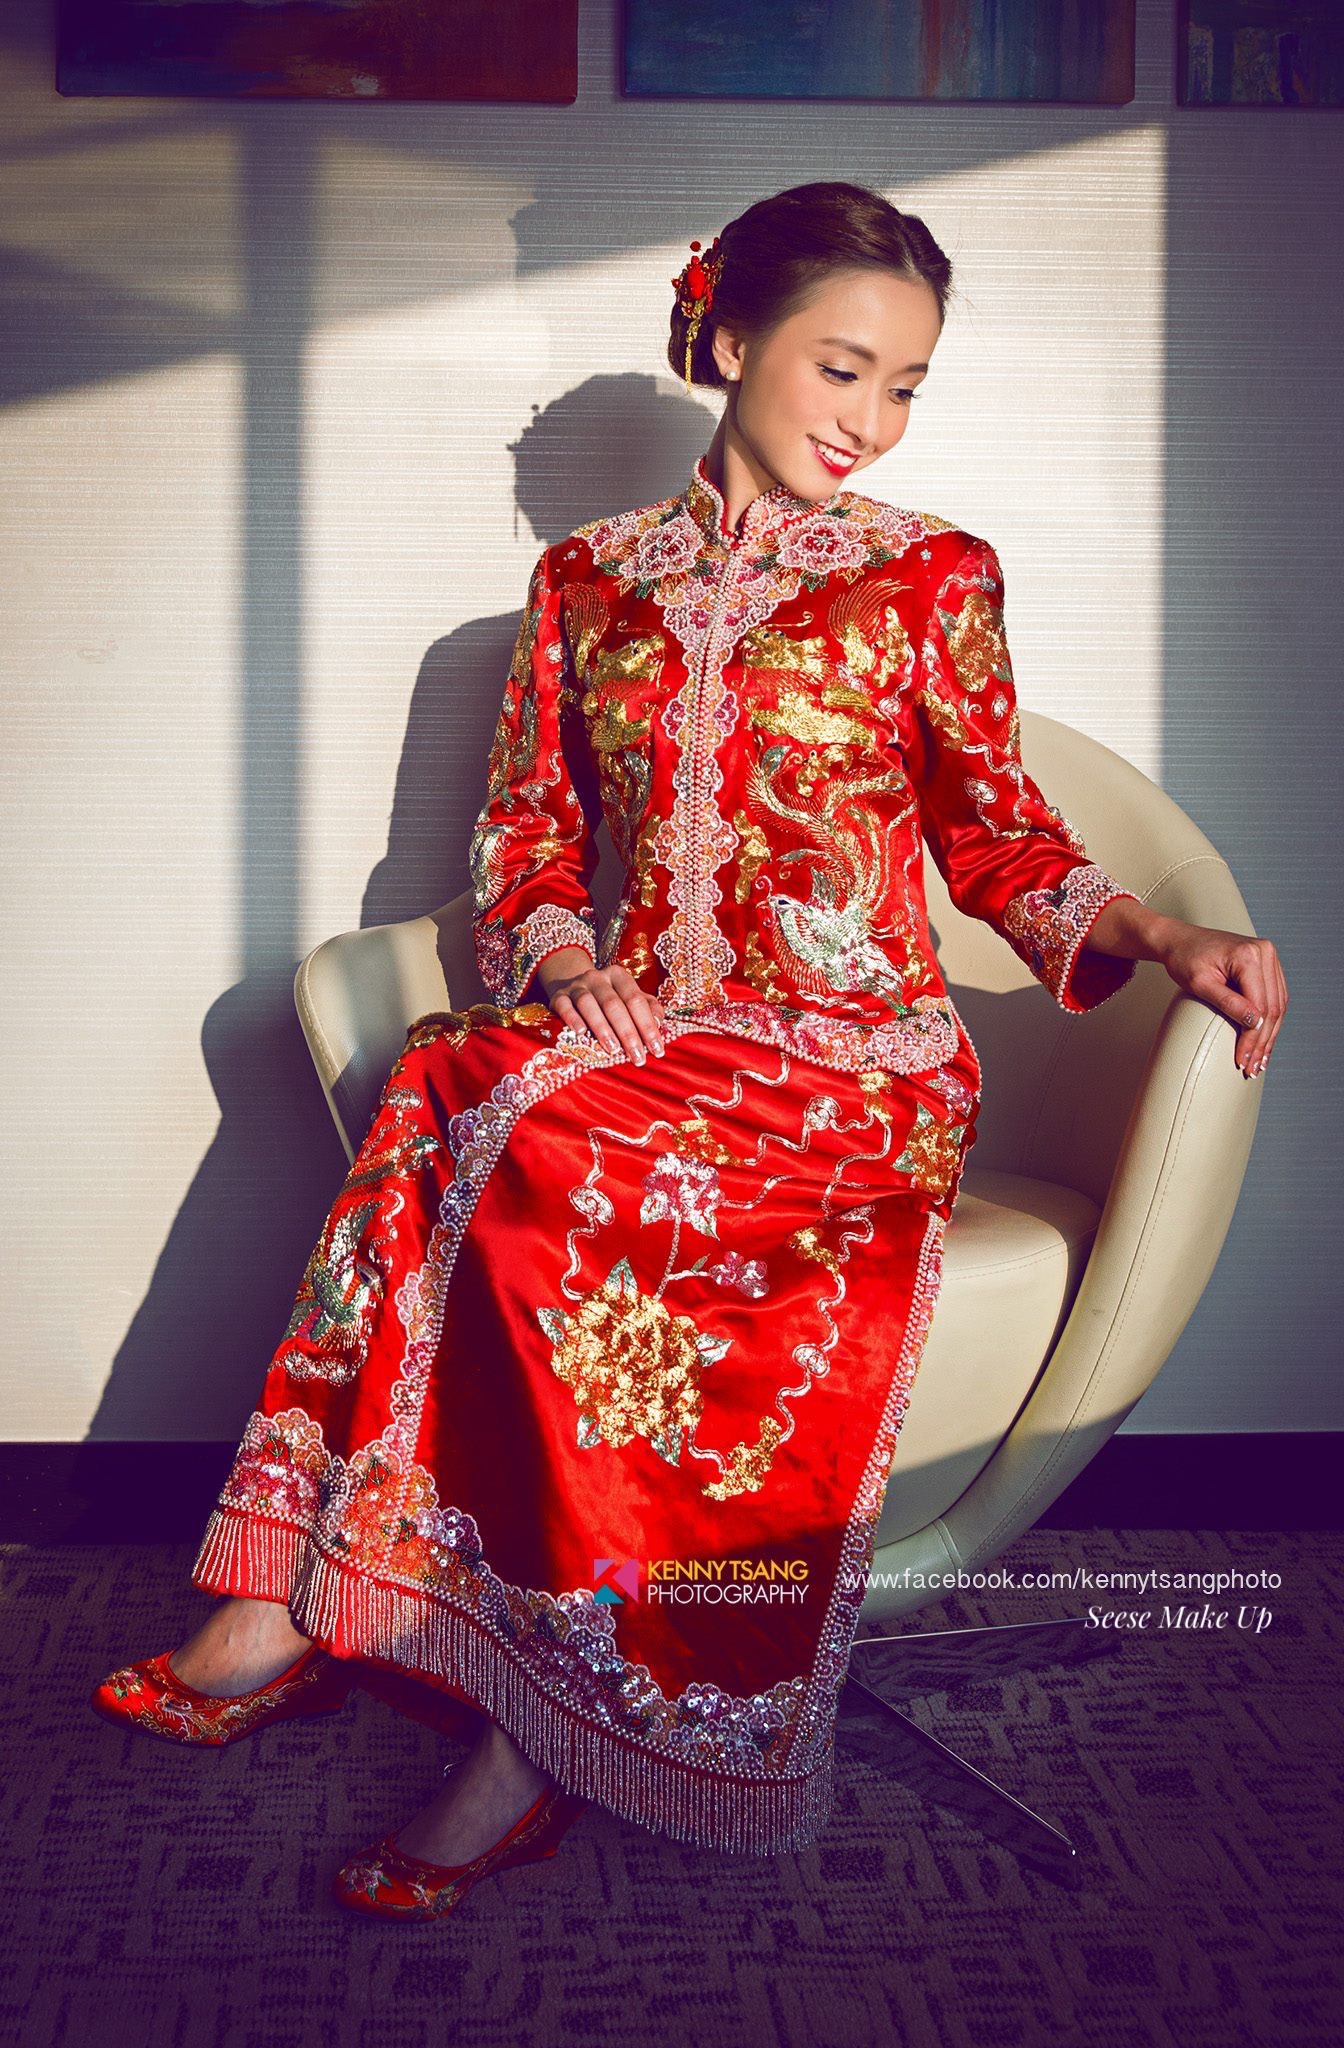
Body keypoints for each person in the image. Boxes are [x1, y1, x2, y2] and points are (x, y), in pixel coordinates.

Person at [90, 180, 1286, 1922]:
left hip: (853, 1071)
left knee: (564, 1153)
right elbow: (523, 838)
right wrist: (571, 964)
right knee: (443, 1073)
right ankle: (296, 1591)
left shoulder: (928, 576)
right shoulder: (585, 582)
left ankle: (537, 1736)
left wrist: (1168, 938)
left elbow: (1000, 840)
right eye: (840, 369)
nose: (868, 421)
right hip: (649, 1036)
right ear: (727, 340)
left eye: (904, 387)